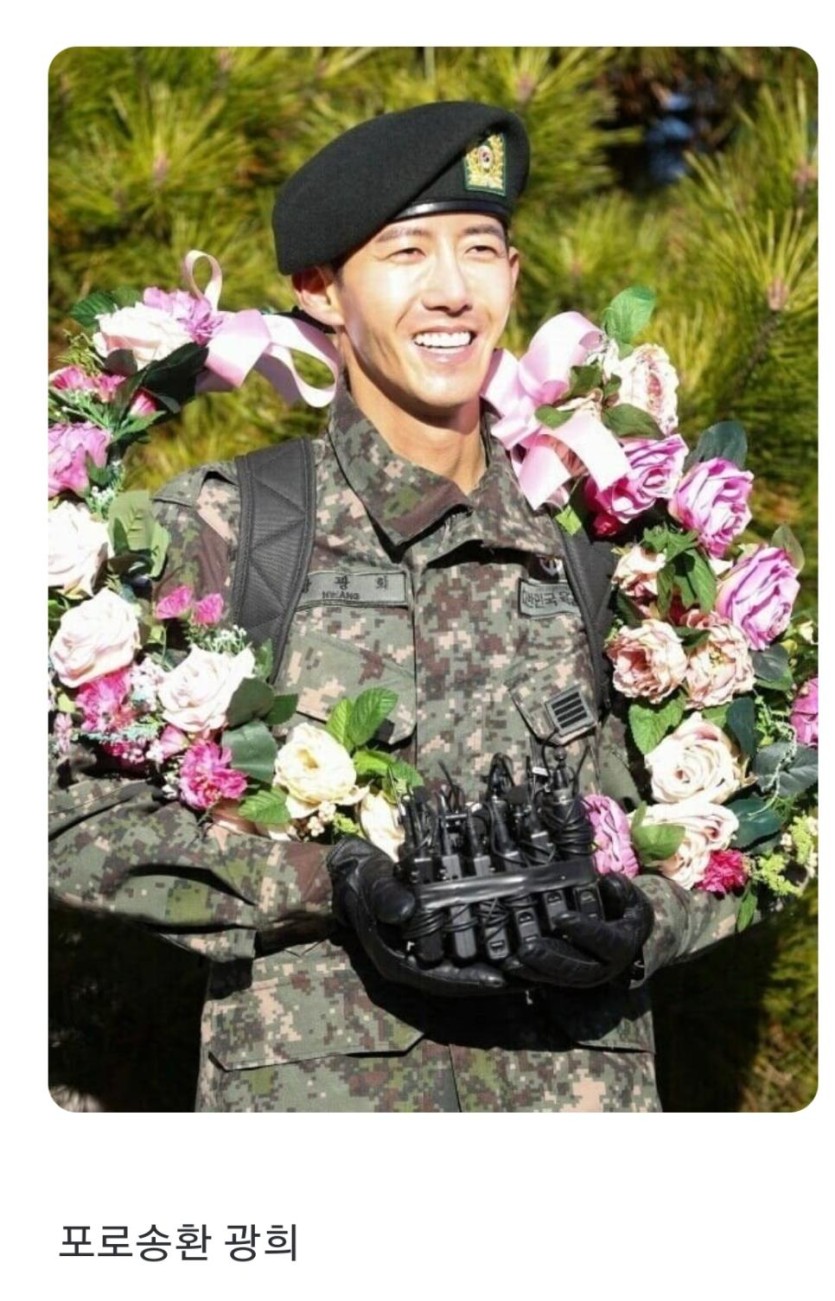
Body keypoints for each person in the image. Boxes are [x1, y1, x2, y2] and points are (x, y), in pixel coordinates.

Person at [49, 101, 749, 1112]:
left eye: (480, 249)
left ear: (514, 275)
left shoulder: (607, 546)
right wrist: (320, 881)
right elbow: (63, 812)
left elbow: (754, 824)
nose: (452, 289)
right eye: (406, 251)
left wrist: (649, 916)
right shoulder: (233, 528)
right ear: (321, 290)